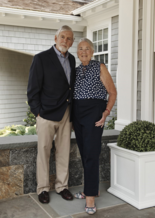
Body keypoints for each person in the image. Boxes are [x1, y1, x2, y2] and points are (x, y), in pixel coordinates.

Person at [27, 25, 76, 204]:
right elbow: (32, 89)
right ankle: (43, 188)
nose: (65, 41)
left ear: (71, 42)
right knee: (44, 152)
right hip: (46, 114)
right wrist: (37, 112)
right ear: (55, 38)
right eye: (62, 37)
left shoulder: (71, 60)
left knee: (63, 152)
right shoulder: (41, 59)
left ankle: (62, 186)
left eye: (69, 38)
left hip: (66, 114)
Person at [73, 38, 117, 214]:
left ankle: (90, 197)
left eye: (87, 49)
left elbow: (112, 92)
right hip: (77, 113)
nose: (84, 52)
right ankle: (91, 189)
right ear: (77, 53)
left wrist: (106, 113)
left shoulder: (100, 67)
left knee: (91, 154)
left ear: (92, 51)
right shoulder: (75, 71)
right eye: (80, 49)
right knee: (84, 153)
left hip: (94, 113)